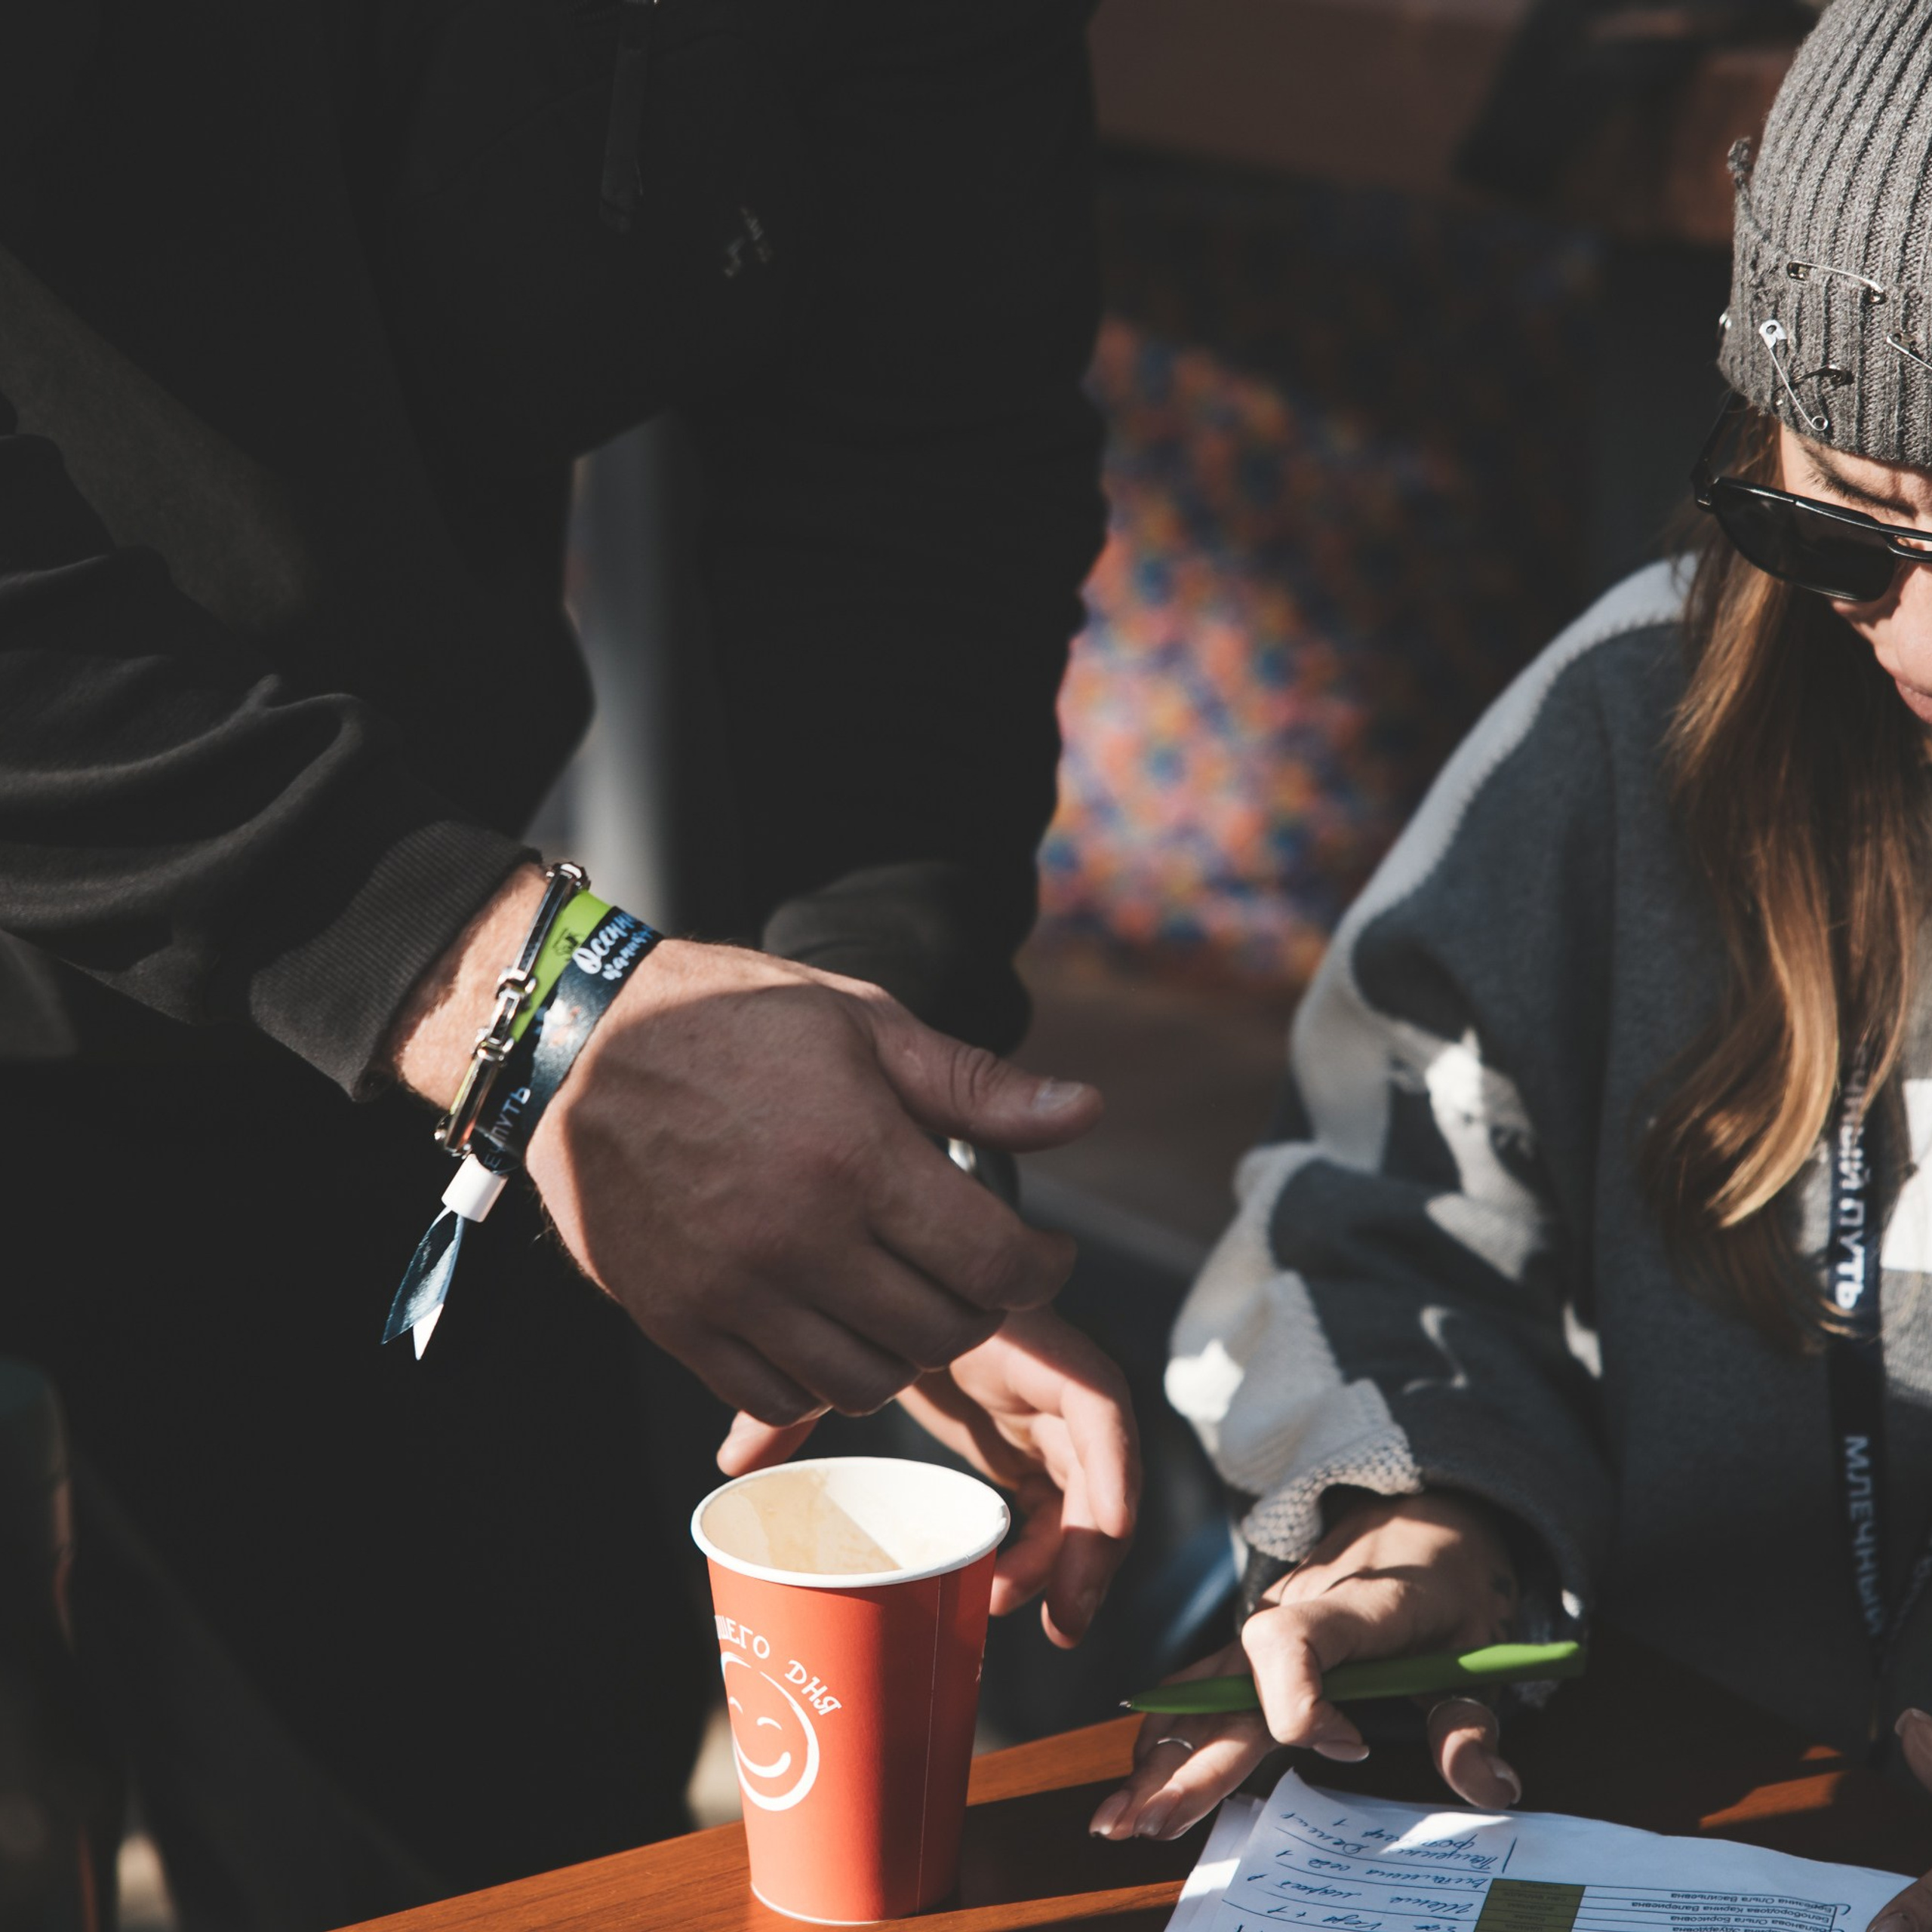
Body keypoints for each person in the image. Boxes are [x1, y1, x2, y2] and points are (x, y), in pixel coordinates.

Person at [0, 0, 1138, 1919]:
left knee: (524, 1838)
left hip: (341, 984)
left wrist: (878, 1114)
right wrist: (514, 995)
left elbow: (916, 445)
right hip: (363, 917)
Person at [1091, 7, 1932, 1920]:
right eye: (1845, 521)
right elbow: (1382, 1212)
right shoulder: (1637, 725)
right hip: (1680, 1786)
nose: (1914, 639)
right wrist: (1426, 1507)